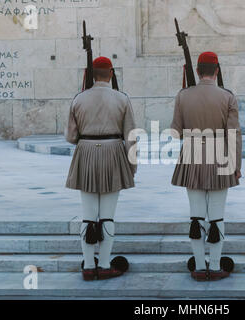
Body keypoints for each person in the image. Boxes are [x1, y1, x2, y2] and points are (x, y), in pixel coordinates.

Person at [171, 52, 242, 281]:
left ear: (198, 72)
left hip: (192, 152)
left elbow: (175, 132)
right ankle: (216, 264)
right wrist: (235, 164)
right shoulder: (227, 96)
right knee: (217, 216)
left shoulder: (183, 96)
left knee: (196, 215)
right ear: (217, 71)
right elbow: (234, 134)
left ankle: (199, 266)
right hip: (219, 153)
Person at [65, 57, 137, 281]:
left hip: (86, 153)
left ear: (91, 75)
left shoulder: (79, 99)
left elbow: (70, 137)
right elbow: (131, 137)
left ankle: (88, 265)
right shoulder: (122, 98)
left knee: (88, 216)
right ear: (111, 73)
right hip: (113, 153)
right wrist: (131, 166)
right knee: (107, 216)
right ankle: (104, 264)